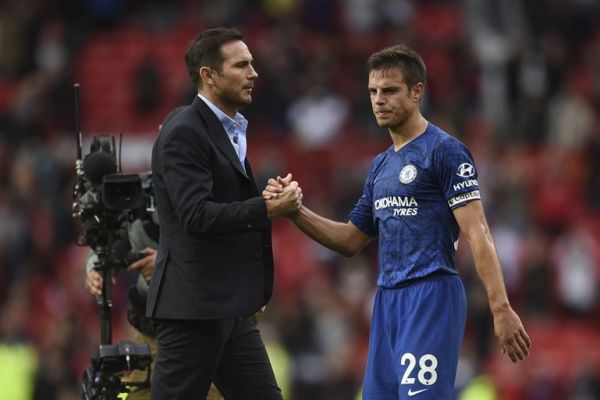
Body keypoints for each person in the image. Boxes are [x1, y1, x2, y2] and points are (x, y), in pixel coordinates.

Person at [264, 44, 531, 399]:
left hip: (431, 292)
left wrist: (501, 308)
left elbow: (478, 232)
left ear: (417, 90)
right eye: (373, 91)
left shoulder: (445, 151)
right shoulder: (380, 167)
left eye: (389, 90)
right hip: (387, 298)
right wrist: (295, 210)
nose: (379, 99)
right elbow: (349, 240)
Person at [147, 27, 301, 400]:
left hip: (228, 309)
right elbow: (197, 216)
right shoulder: (184, 130)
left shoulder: (225, 130)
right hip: (193, 311)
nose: (254, 73)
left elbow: (223, 208)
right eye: (241, 65)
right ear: (208, 75)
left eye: (252, 64)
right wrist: (266, 207)